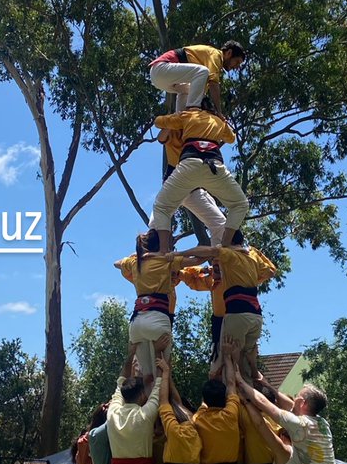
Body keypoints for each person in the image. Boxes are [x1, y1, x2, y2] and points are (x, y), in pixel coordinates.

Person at [172, 233, 276, 375]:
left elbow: (270, 271)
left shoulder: (235, 272)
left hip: (236, 316)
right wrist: (203, 269)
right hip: (225, 322)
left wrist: (254, 252)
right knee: (222, 368)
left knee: (235, 365)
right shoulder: (213, 282)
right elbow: (188, 277)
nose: (218, 270)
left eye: (220, 266)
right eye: (215, 267)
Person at [151, 106, 248, 253]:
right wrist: (175, 118)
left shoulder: (193, 123)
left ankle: (220, 258)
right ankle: (150, 253)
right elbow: (161, 137)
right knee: (156, 221)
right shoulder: (180, 127)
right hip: (182, 178)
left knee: (217, 223)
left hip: (191, 183)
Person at [114, 231, 188, 382]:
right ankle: (161, 397)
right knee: (163, 371)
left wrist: (137, 255)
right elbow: (198, 259)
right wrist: (175, 255)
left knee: (146, 375)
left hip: (137, 322)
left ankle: (138, 396)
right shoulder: (166, 261)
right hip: (159, 318)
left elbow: (116, 263)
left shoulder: (136, 263)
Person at [149, 39, 245, 116]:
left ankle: (181, 118)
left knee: (190, 90)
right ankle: (192, 108)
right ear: (229, 53)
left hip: (161, 78)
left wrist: (209, 107)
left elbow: (200, 92)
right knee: (203, 71)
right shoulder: (215, 55)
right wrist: (219, 112)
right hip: (161, 68)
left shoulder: (211, 65)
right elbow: (213, 84)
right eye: (237, 62)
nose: (236, 67)